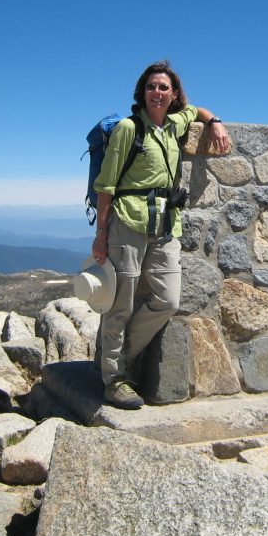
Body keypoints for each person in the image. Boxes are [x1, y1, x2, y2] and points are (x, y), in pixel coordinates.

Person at [91, 60, 230, 409]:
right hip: (128, 221)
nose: (157, 92)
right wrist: (101, 232)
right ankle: (114, 379)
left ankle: (118, 360)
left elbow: (197, 110)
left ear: (173, 94)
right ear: (142, 92)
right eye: (152, 86)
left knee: (167, 300)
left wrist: (213, 123)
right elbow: (106, 184)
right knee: (119, 304)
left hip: (166, 224)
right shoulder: (127, 129)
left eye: (164, 87)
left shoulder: (174, 124)